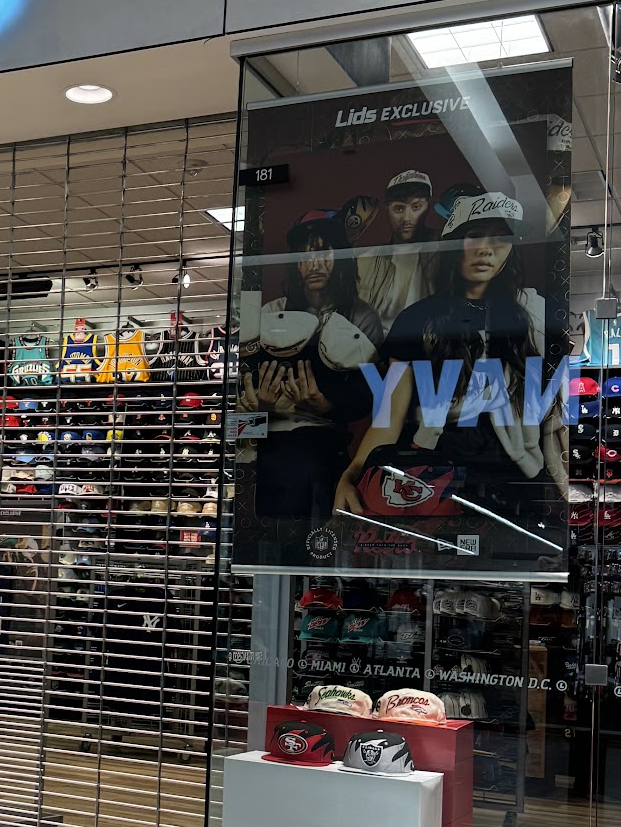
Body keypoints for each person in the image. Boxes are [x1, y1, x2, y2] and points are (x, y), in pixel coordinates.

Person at [334, 191, 566, 552]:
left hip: (514, 483)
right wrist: (352, 474)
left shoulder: (535, 314)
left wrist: (572, 491)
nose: (486, 249)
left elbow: (553, 419)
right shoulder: (417, 319)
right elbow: (389, 418)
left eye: (500, 238)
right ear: (454, 244)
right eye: (475, 236)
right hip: (436, 481)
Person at [237, 212, 379, 559]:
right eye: (305, 253)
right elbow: (240, 414)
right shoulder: (270, 312)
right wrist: (262, 410)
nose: (314, 263)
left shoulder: (361, 317)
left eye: (325, 251)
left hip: (324, 448)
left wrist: (328, 407)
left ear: (340, 257)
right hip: (268, 450)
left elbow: (372, 396)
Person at [355, 167, 435, 328]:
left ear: (428, 206)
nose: (406, 218)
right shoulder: (367, 260)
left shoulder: (444, 253)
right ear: (387, 209)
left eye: (416, 207)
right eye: (399, 208)